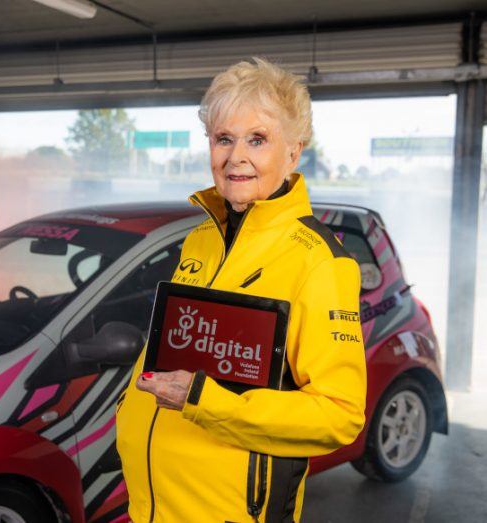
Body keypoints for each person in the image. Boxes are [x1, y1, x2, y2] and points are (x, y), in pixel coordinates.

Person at [115, 58, 367, 523]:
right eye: (223, 139)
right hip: (154, 508)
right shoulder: (200, 239)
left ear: (293, 153)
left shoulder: (319, 262)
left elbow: (339, 415)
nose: (236, 157)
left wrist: (204, 401)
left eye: (258, 139)